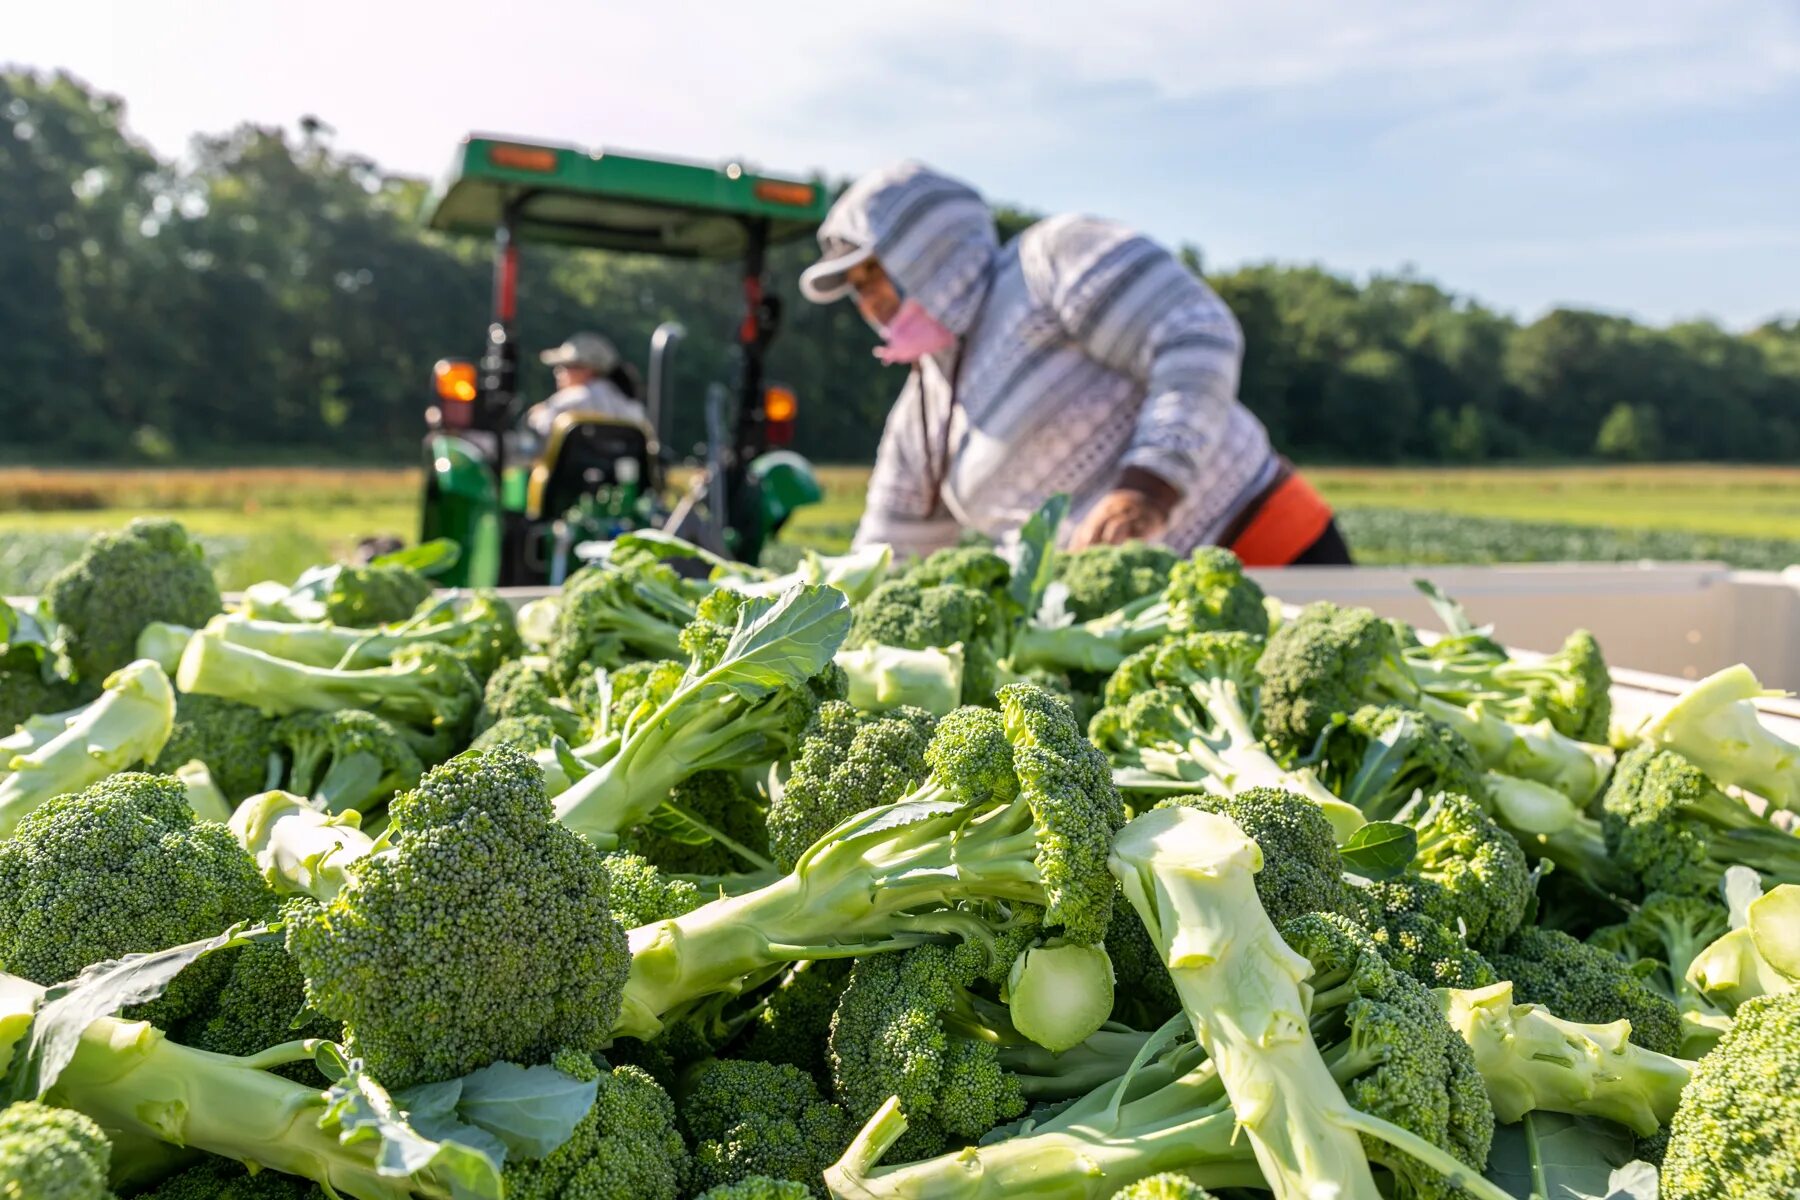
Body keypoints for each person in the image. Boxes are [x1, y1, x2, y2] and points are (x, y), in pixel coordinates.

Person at [799, 161, 1352, 565]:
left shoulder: (1048, 262)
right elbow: (887, 555)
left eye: (872, 272)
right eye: (854, 287)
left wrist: (1149, 487)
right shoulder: (924, 412)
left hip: (1263, 546)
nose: (866, 300)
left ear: (926, 248)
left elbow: (1194, 335)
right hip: (1133, 622)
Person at [524, 332, 650, 443]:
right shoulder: (629, 403)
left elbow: (542, 431)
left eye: (565, 366)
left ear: (587, 369)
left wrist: (536, 414)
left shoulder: (576, 397)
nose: (557, 372)